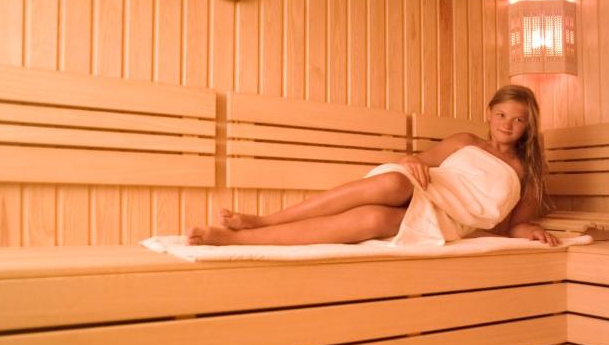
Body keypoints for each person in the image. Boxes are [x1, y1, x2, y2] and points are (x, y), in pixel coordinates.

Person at [187, 84, 559, 247]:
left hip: (450, 218)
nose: (507, 124)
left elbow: (515, 224)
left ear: (529, 126)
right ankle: (264, 221)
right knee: (395, 184)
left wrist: (532, 232)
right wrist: (410, 161)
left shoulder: (527, 174)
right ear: (489, 114)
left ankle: (238, 239)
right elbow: (417, 162)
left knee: (376, 220)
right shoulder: (466, 141)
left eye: (518, 119)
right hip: (426, 187)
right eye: (501, 114)